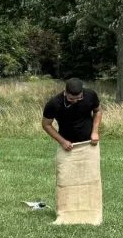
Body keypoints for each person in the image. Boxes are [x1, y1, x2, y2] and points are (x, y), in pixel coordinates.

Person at [41, 78, 103, 225]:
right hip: (67, 146)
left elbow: (98, 111)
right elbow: (46, 125)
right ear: (65, 93)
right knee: (66, 180)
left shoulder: (90, 95)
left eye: (78, 98)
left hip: (89, 145)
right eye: (71, 98)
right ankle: (66, 214)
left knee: (91, 180)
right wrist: (62, 141)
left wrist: (95, 132)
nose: (75, 101)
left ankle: (92, 214)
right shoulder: (54, 103)